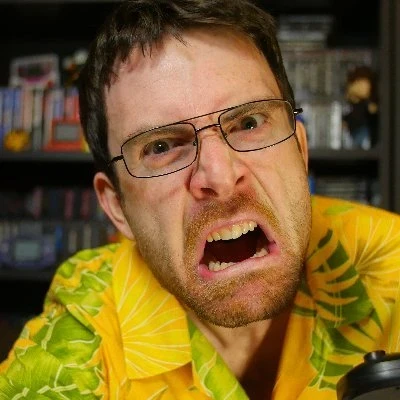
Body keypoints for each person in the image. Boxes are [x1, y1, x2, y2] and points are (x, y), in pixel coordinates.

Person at [1, 0, 400, 399]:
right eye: (160, 146)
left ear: (300, 150)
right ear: (117, 207)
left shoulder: (390, 262)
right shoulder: (82, 333)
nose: (220, 178)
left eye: (249, 123)